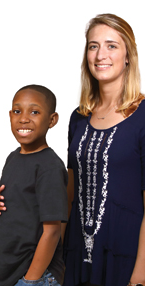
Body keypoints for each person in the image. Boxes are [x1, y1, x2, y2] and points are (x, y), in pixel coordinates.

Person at [63, 13, 145, 286]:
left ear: (128, 56)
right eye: (93, 46)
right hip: (78, 256)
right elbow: (70, 192)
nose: (101, 55)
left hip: (126, 258)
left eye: (112, 45)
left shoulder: (143, 116)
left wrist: (140, 273)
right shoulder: (78, 117)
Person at [0, 85, 68, 286]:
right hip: (10, 273)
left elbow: (52, 231)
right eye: (17, 111)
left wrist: (31, 280)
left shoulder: (49, 166)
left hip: (36, 276)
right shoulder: (13, 158)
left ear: (52, 120)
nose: (23, 118)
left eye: (34, 112)